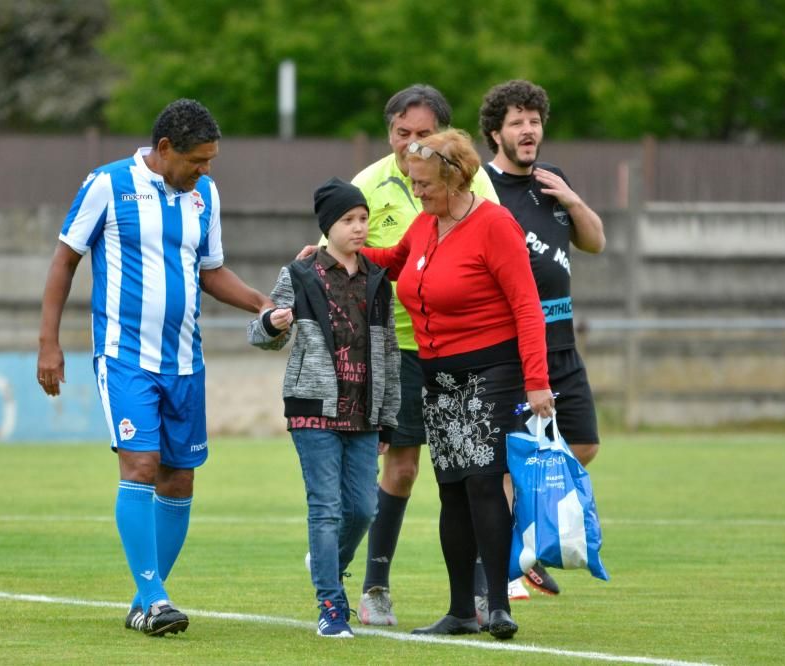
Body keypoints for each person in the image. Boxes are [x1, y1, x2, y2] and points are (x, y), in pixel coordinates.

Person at [36, 99, 274, 637]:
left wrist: (262, 303)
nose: (206, 170)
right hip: (125, 358)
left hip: (185, 361)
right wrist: (48, 343)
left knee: (179, 478)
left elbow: (211, 272)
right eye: (197, 160)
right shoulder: (108, 184)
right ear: (165, 149)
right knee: (141, 468)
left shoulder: (204, 195)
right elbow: (65, 260)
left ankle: (147, 600)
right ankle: (156, 596)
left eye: (211, 160)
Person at [359, 128, 554, 640]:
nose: (416, 192)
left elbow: (527, 307)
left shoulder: (495, 225)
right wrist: (341, 252)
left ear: (454, 176)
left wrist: (538, 382)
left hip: (493, 373)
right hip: (437, 378)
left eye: (423, 183)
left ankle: (498, 605)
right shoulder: (425, 225)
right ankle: (461, 610)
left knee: (484, 484)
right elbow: (393, 263)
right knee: (451, 492)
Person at [249, 178, 401, 638]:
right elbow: (258, 336)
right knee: (326, 507)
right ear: (327, 227)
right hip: (312, 409)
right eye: (349, 220)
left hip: (363, 413)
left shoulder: (377, 282)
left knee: (363, 509)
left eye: (363, 220)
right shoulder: (298, 274)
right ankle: (331, 606)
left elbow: (390, 352)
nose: (359, 228)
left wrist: (387, 419)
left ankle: (327, 563)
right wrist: (272, 323)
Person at [479, 80, 606, 596]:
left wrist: (573, 200)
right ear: (495, 133)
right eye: (517, 122)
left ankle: (523, 540)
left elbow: (595, 241)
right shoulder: (483, 189)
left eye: (534, 120)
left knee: (585, 443)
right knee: (512, 454)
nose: (529, 130)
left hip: (562, 340)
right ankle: (513, 562)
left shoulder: (554, 182)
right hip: (512, 345)